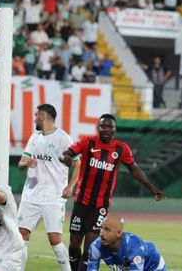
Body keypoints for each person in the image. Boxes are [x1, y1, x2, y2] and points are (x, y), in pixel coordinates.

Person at [60, 114, 165, 271]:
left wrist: (151, 187)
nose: (106, 129)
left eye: (110, 126)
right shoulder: (87, 142)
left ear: (115, 129)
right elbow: (67, 153)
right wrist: (67, 157)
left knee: (90, 244)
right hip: (81, 201)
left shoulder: (121, 148)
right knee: (74, 244)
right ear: (98, 128)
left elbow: (134, 169)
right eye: (103, 126)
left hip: (100, 205)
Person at [17, 104, 81, 271]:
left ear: (43, 117)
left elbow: (78, 163)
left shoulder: (63, 138)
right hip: (30, 196)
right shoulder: (34, 138)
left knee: (55, 240)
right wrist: (25, 163)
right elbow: (21, 163)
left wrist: (70, 187)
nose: (34, 118)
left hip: (53, 197)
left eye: (36, 115)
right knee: (20, 237)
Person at [87, 214, 166, 271]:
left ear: (118, 233)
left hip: (153, 267)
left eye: (107, 230)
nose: (101, 234)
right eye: (101, 228)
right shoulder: (96, 247)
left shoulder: (134, 248)